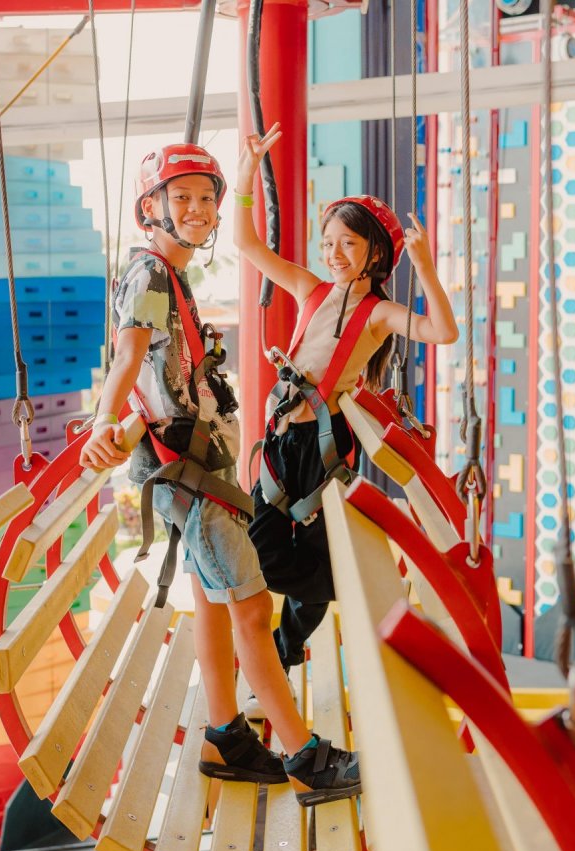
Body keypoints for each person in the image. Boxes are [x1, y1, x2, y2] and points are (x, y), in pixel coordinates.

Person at [79, 142, 360, 806]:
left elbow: (156, 369)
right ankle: (306, 757)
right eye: (184, 199)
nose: (199, 211)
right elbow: (126, 359)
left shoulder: (168, 275)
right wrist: (102, 423)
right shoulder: (150, 275)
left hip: (190, 459)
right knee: (252, 606)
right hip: (184, 467)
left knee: (214, 596)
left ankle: (225, 738)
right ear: (151, 209)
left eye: (206, 198)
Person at [234, 123, 458, 709]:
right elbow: (249, 247)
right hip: (281, 442)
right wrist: (246, 176)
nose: (332, 254)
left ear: (375, 256)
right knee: (263, 548)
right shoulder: (310, 290)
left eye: (347, 246)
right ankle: (276, 656)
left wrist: (425, 269)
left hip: (319, 449)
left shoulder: (380, 313)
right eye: (328, 241)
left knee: (299, 564)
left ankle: (285, 649)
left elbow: (443, 331)